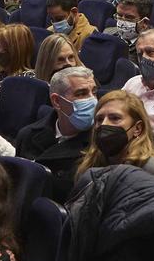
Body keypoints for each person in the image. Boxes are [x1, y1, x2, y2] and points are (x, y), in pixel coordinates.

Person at [14, 64, 98, 201]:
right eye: (81, 94)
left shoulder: (100, 143)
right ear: (57, 101)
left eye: (94, 92)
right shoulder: (28, 135)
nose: (92, 100)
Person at [75, 89, 154, 185]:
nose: (104, 124)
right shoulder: (88, 167)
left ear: (137, 128)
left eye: (115, 118)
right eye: (99, 119)